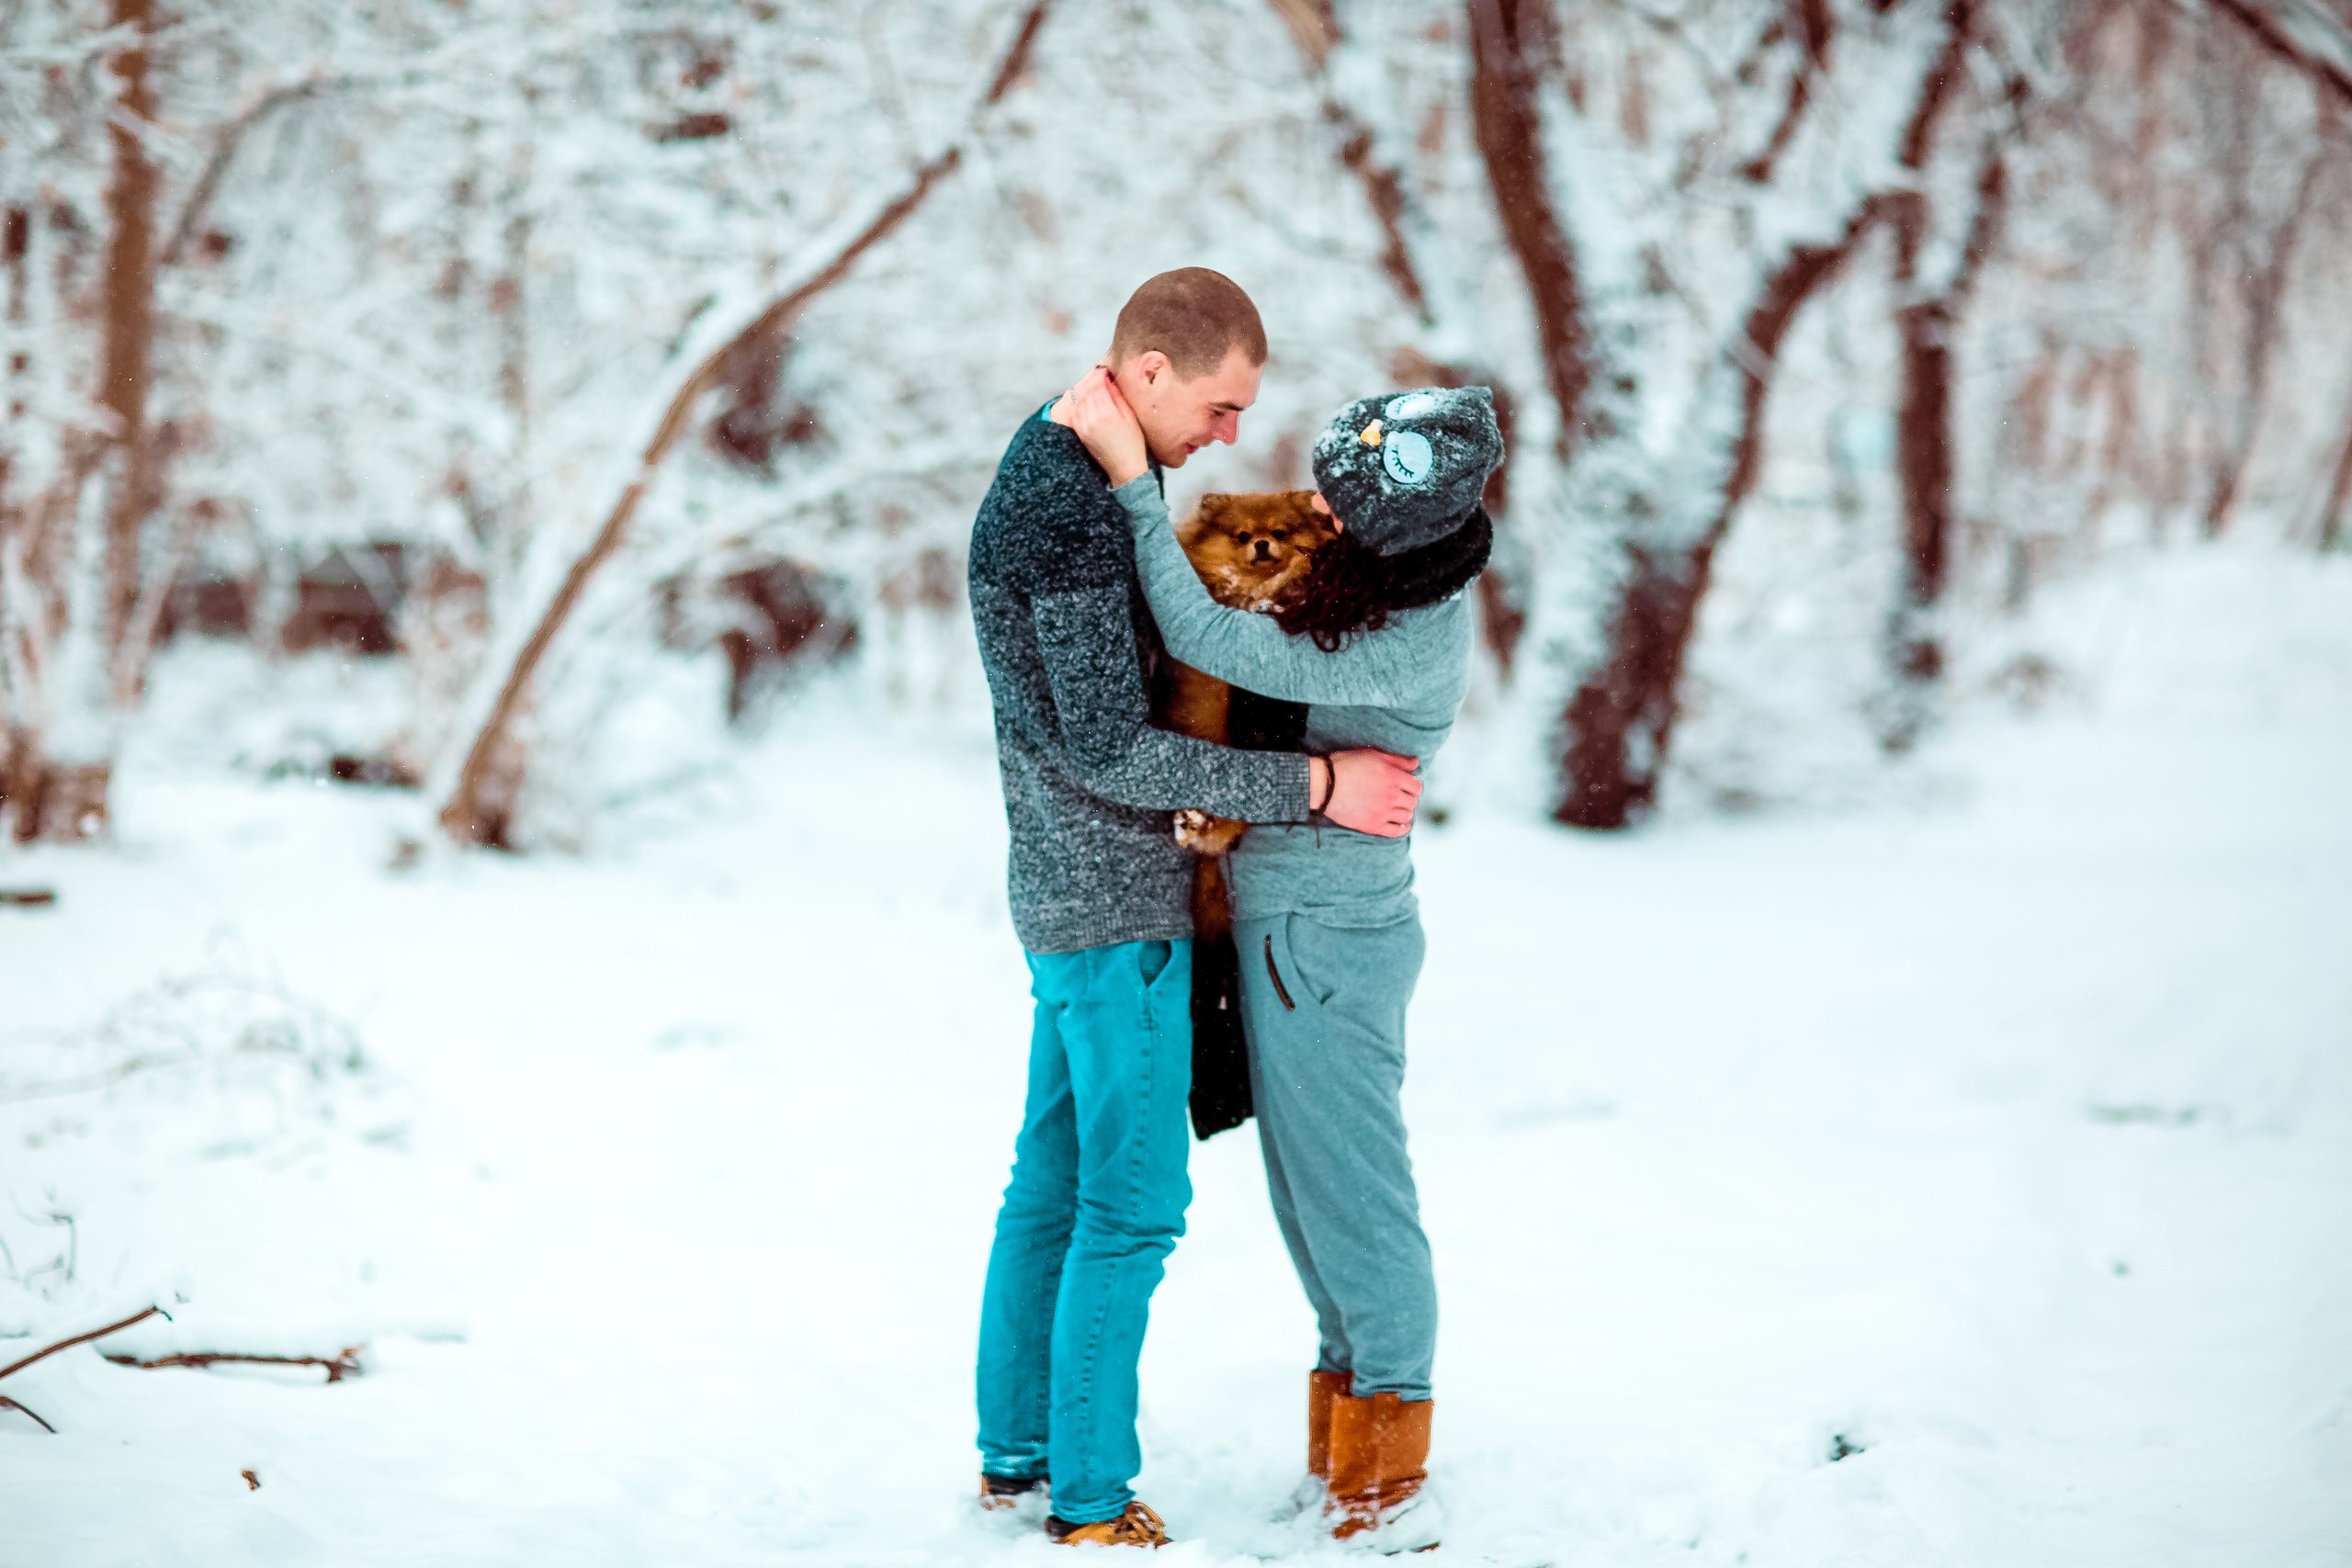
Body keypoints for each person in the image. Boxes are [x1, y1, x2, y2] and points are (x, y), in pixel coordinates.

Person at [966, 268, 1426, 1547]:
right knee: (1129, 1203)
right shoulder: (1065, 503)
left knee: (1051, 1184)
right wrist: (1316, 782)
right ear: (1153, 371)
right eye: (1222, 406)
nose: (1231, 436)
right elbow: (1111, 744)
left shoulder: (1080, 465)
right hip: (1110, 902)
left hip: (1072, 891)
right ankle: (1092, 1504)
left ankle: (1020, 1456)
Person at [1067, 368, 1503, 1547]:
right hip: (1299, 926)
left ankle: (1389, 1477)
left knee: (1353, 1199)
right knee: (1310, 1201)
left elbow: (1207, 632)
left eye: (1348, 502)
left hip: (1323, 936)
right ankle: (1346, 1451)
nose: (1330, 515)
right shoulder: (1386, 574)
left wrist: (1129, 490)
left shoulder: (1405, 638)